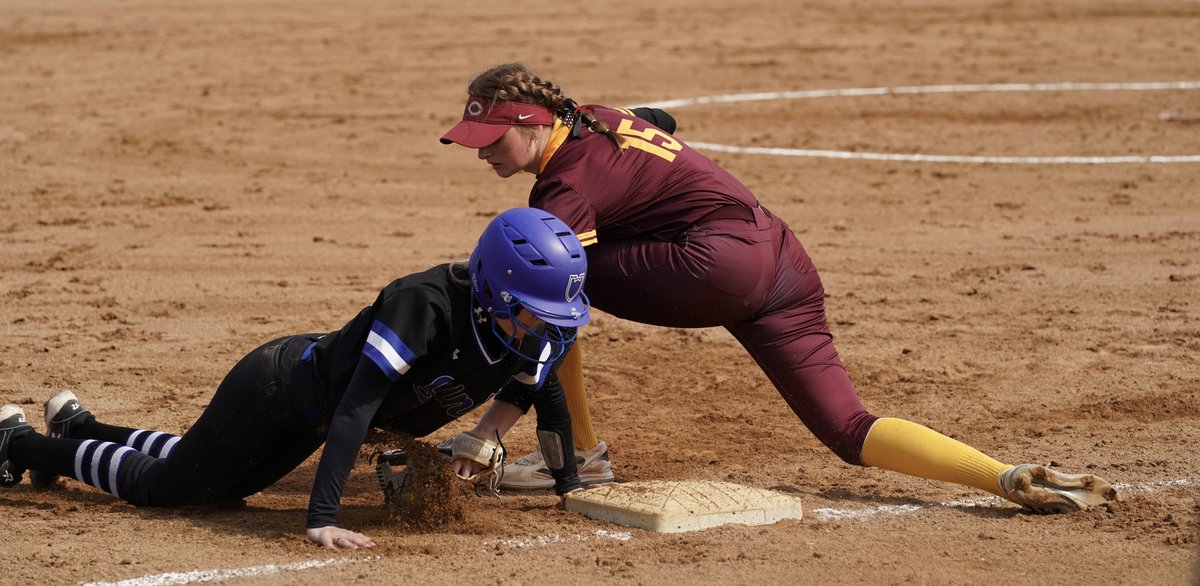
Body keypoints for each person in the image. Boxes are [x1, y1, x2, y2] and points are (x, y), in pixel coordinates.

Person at [437, 62, 1119, 513]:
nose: (482, 151)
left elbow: (555, 307)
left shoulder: (566, 185)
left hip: (711, 268)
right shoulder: (595, 114)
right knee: (847, 426)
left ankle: (575, 451)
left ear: (532, 124)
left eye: (493, 137)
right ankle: (1002, 476)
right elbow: (660, 121)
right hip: (783, 258)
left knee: (537, 272)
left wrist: (490, 427)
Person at [0, 207, 592, 548]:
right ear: (492, 285)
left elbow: (543, 397)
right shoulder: (425, 304)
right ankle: (22, 443)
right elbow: (356, 410)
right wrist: (323, 519)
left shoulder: (527, 332)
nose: (543, 328)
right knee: (169, 492)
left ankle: (82, 425)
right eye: (533, 311)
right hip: (276, 392)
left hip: (309, 416)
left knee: (216, 483)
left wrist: (569, 488)